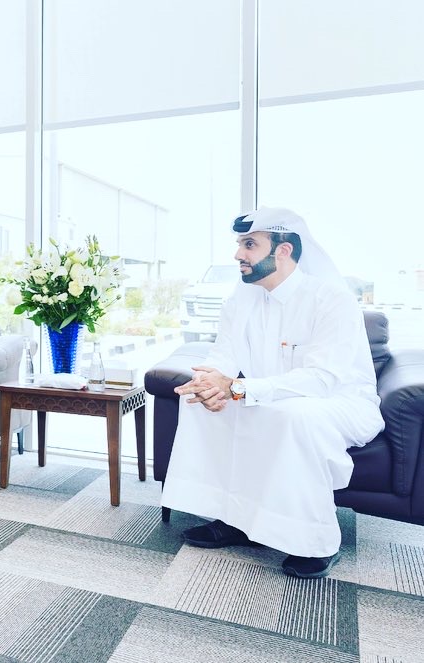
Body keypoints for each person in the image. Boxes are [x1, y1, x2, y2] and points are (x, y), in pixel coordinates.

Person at [162, 207, 383, 579]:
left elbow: (322, 379)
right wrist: (209, 384)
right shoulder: (241, 299)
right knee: (199, 404)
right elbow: (223, 356)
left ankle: (316, 543)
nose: (238, 254)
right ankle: (234, 519)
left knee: (293, 417)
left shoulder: (331, 298)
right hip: (267, 395)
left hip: (339, 402)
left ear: (283, 250)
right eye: (239, 244)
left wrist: (238, 388)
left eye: (249, 245)